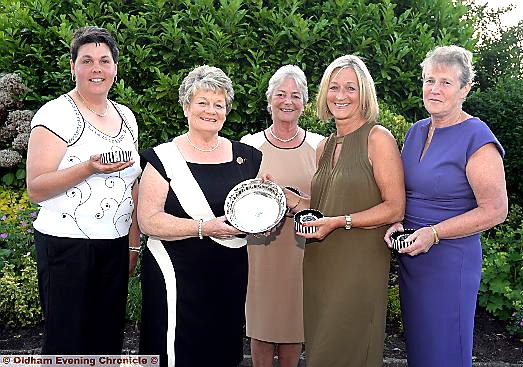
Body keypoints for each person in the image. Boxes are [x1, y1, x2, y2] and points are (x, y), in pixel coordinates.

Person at [274, 55, 405, 366]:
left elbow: (395, 207)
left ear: (364, 94)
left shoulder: (378, 138)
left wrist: (339, 222)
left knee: (348, 347)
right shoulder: (325, 146)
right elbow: (321, 208)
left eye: (351, 88)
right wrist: (283, 196)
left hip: (358, 265)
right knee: (320, 350)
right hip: (320, 264)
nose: (341, 95)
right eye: (334, 87)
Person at [383, 45, 508, 367]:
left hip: (450, 261)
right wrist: (396, 220)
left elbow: (495, 209)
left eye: (446, 82)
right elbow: (405, 191)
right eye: (429, 80)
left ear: (465, 89)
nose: (434, 89)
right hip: (414, 255)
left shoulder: (476, 137)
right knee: (421, 347)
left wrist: (435, 233)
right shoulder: (416, 130)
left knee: (446, 349)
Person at [26, 26, 141, 354]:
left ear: (115, 68)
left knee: (106, 340)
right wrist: (87, 168)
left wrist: (133, 245)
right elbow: (36, 188)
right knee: (67, 341)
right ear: (73, 66)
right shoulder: (55, 114)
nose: (96, 69)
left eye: (104, 61)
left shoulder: (126, 116)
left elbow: (131, 184)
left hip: (115, 246)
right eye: (87, 60)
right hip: (66, 246)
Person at [137, 65, 262, 367]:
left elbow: (252, 213)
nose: (211, 110)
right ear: (186, 107)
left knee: (222, 347)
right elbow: (148, 220)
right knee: (176, 349)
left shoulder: (247, 157)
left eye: (218, 104)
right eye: (202, 102)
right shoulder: (162, 158)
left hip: (228, 274)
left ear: (227, 111)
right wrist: (205, 227)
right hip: (175, 274)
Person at [241, 65, 323, 367]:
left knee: (294, 324)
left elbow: (329, 203)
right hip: (260, 249)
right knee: (261, 325)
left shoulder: (320, 146)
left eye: (296, 95)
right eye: (281, 94)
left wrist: (295, 201)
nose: (288, 101)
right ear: (269, 100)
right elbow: (237, 200)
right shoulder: (249, 147)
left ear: (304, 103)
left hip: (303, 250)